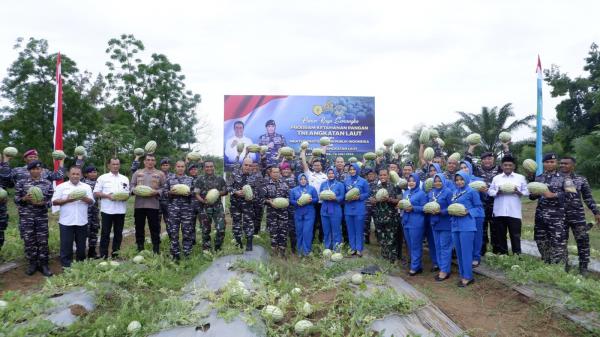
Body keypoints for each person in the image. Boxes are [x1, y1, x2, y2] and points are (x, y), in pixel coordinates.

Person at [464, 143, 510, 257]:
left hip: (497, 203)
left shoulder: (500, 169)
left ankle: (498, 250)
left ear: (493, 159)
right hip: (481, 204)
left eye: (490, 158)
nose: (487, 161)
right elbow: (466, 163)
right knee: (482, 228)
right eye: (485, 159)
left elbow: (509, 161)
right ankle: (481, 250)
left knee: (497, 228)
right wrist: (471, 148)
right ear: (482, 161)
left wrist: (506, 149)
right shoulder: (477, 170)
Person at [559, 156, 600, 275]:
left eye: (566, 164)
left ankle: (584, 267)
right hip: (559, 216)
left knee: (583, 241)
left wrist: (596, 212)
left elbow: (588, 198)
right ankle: (564, 266)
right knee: (561, 242)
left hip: (577, 216)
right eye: (561, 163)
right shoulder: (554, 179)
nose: (563, 166)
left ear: (573, 166)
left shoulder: (581, 179)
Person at [14, 160, 54, 276]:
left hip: (41, 217)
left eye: (38, 169)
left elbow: (51, 201)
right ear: (29, 170)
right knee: (29, 241)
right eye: (33, 169)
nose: (36, 171)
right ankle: (32, 264)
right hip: (26, 217)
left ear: (41, 170)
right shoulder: (21, 183)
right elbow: (16, 200)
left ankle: (44, 265)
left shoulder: (47, 183)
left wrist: (43, 204)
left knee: (43, 241)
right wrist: (24, 199)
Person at [52, 166, 95, 268]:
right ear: (68, 174)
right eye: (73, 174)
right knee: (66, 245)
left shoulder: (86, 187)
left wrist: (84, 198)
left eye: (77, 174)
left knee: (81, 246)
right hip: (66, 222)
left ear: (80, 175)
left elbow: (92, 202)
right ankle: (66, 266)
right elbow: (54, 201)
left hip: (82, 221)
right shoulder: (61, 187)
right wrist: (67, 200)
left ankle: (80, 265)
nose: (75, 176)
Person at [487, 156, 529, 255]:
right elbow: (490, 191)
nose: (508, 167)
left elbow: (526, 192)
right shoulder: (496, 178)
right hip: (499, 212)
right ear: (502, 166)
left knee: (515, 235)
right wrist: (497, 192)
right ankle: (503, 255)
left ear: (514, 166)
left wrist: (518, 192)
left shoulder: (520, 177)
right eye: (505, 165)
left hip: (514, 212)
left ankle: (517, 255)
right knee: (500, 235)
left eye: (510, 165)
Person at [529, 153, 566, 264]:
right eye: (547, 162)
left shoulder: (565, 178)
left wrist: (553, 195)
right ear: (543, 163)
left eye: (552, 162)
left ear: (556, 163)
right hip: (540, 216)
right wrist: (535, 193)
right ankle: (547, 262)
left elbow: (571, 195)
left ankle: (560, 267)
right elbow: (531, 196)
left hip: (557, 217)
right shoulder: (538, 178)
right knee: (540, 240)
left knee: (557, 242)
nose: (549, 164)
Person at [450, 171, 482, 287]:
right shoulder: (454, 192)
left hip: (467, 225)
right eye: (457, 180)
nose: (459, 182)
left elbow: (479, 208)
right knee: (459, 252)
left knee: (466, 252)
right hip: (455, 225)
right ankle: (462, 274)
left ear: (466, 179)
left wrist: (468, 211)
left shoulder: (472, 191)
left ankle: (468, 277)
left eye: (461, 179)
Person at [93, 158, 130, 259]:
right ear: (109, 165)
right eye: (113, 164)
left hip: (121, 210)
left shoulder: (124, 178)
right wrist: (107, 196)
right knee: (105, 233)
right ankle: (103, 255)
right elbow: (96, 193)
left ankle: (115, 255)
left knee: (118, 233)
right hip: (107, 210)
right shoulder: (102, 178)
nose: (115, 166)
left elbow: (127, 193)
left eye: (117, 164)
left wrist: (125, 197)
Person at [131, 154, 166, 254]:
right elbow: (132, 185)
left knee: (154, 228)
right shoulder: (138, 173)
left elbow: (164, 188)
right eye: (148, 160)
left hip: (153, 205)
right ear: (144, 162)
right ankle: (140, 248)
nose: (150, 162)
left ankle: (156, 248)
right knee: (139, 227)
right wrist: (134, 191)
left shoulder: (160, 174)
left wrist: (157, 192)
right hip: (139, 205)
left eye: (152, 160)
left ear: (155, 162)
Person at [227, 157, 260, 250]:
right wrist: (236, 192)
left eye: (250, 165)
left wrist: (252, 196)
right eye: (246, 165)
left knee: (249, 223)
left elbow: (258, 191)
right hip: (235, 204)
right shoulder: (234, 174)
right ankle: (238, 242)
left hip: (248, 204)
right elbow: (228, 186)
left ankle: (249, 242)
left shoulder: (255, 177)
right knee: (236, 223)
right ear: (242, 165)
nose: (248, 167)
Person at [195, 160, 227, 251]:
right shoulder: (200, 179)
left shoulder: (220, 179)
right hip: (204, 208)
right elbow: (196, 193)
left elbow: (225, 191)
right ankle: (206, 249)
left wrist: (217, 193)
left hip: (218, 207)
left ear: (214, 167)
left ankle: (218, 248)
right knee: (205, 230)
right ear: (204, 168)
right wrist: (203, 201)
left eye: (211, 166)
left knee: (221, 228)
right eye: (207, 167)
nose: (209, 168)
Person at [427, 173, 453, 281]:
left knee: (445, 247)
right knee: (437, 246)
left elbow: (452, 207)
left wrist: (441, 211)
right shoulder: (431, 192)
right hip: (434, 223)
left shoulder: (448, 192)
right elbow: (428, 205)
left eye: (439, 181)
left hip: (445, 223)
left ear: (443, 181)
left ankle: (445, 271)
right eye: (436, 181)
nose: (437, 183)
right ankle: (442, 267)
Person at [371, 169, 400, 262]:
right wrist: (373, 201)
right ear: (378, 176)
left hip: (391, 217)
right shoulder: (376, 187)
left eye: (384, 175)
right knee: (381, 238)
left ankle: (392, 258)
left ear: (388, 176)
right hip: (379, 217)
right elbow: (371, 199)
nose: (382, 177)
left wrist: (389, 199)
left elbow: (399, 201)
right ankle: (384, 257)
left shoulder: (394, 187)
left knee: (391, 238)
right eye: (381, 175)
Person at [459, 160, 485, 267]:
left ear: (470, 168)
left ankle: (476, 257)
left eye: (466, 167)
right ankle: (467, 257)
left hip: (477, 214)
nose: (464, 169)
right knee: (466, 237)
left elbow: (485, 198)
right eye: (462, 167)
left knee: (477, 236)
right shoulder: (458, 181)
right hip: (462, 215)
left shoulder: (478, 180)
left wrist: (485, 191)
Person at [261, 166, 290, 257]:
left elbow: (289, 197)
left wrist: (287, 201)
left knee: (283, 231)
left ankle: (282, 251)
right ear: (270, 173)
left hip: (283, 213)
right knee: (273, 231)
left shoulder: (284, 184)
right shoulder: (266, 185)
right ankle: (274, 251)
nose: (276, 174)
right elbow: (261, 199)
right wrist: (269, 201)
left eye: (278, 172)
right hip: (272, 213)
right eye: (274, 172)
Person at [402, 173, 427, 276]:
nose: (411, 182)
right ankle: (418, 265)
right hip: (406, 221)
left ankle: (414, 267)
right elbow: (403, 204)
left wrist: (413, 208)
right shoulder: (406, 192)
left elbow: (425, 208)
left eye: (413, 180)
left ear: (417, 182)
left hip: (416, 222)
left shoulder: (422, 194)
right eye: (409, 180)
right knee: (410, 245)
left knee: (416, 245)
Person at [301, 149, 327, 244]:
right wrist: (303, 152)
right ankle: (310, 240)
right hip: (311, 202)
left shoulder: (325, 176)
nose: (316, 166)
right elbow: (304, 164)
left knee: (322, 222)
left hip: (323, 203)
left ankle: (322, 240)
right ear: (312, 166)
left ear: (321, 166)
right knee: (311, 222)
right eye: (315, 165)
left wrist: (324, 148)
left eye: (318, 165)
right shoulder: (309, 175)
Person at [344, 163, 370, 257]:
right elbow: (344, 194)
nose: (352, 171)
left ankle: (359, 249)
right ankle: (352, 248)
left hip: (359, 208)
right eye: (350, 169)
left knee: (359, 229)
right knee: (350, 229)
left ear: (357, 170)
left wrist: (359, 197)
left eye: (353, 169)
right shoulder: (346, 181)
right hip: (348, 208)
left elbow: (367, 193)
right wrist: (346, 197)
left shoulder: (363, 181)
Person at [289, 173, 319, 256]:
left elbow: (316, 199)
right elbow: (291, 200)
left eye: (304, 179)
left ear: (307, 180)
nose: (303, 181)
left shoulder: (312, 189)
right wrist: (297, 202)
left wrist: (311, 200)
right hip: (298, 213)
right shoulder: (294, 190)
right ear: (298, 180)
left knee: (307, 232)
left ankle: (306, 251)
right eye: (301, 179)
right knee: (299, 232)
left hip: (309, 213)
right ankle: (299, 251)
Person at [320, 167, 345, 251]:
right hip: (324, 210)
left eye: (332, 173)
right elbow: (320, 195)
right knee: (326, 231)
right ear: (327, 174)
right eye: (329, 173)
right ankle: (327, 248)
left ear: (335, 174)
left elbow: (342, 197)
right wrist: (324, 196)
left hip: (335, 210)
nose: (330, 175)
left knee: (336, 231)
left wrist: (335, 198)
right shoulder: (323, 184)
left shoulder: (340, 184)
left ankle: (336, 249)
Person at [82, 166, 100, 258]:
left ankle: (92, 252)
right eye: (91, 172)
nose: (93, 174)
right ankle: (81, 252)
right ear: (86, 174)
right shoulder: (82, 182)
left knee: (94, 231)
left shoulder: (99, 183)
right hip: (85, 212)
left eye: (95, 172)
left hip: (95, 211)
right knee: (84, 232)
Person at [280, 162, 297, 253]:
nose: (286, 170)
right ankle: (283, 249)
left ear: (291, 170)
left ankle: (294, 249)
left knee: (292, 228)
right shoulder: (278, 180)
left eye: (288, 169)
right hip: (281, 208)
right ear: (281, 171)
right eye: (284, 169)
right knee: (282, 228)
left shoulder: (295, 179)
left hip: (292, 208)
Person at [363, 168, 378, 244]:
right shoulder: (364, 183)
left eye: (372, 174)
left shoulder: (378, 184)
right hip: (366, 206)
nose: (371, 176)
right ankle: (366, 238)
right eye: (369, 175)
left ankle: (378, 237)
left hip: (376, 206)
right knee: (366, 223)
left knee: (377, 222)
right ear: (367, 176)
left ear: (375, 175)